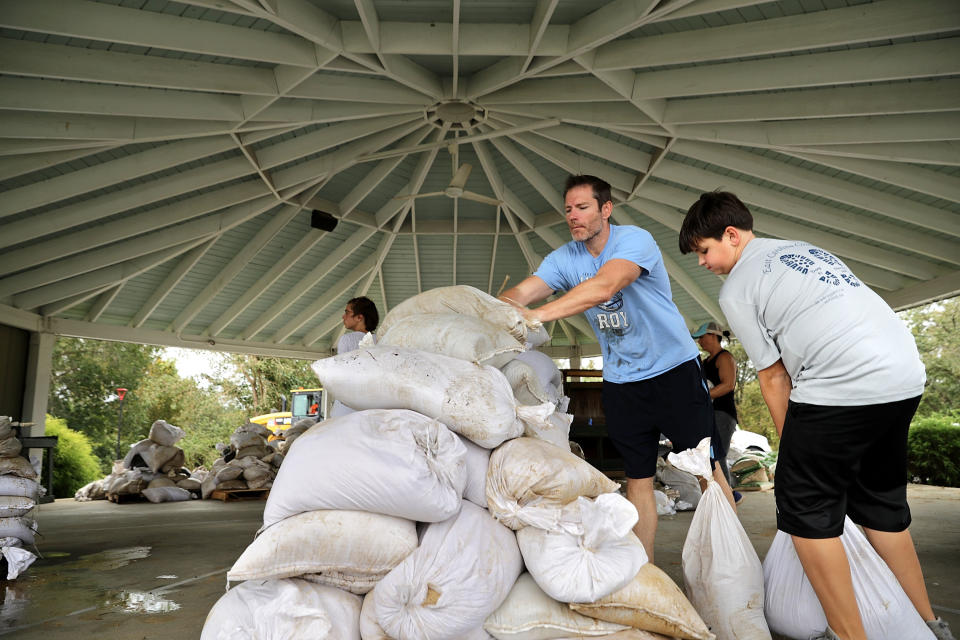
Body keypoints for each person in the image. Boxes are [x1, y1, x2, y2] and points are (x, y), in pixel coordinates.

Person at [678, 191, 954, 640]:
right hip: (903, 377)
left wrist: (796, 459)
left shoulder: (739, 286)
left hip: (842, 382)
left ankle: (849, 635)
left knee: (804, 506)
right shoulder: (803, 251)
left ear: (731, 235)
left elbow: (773, 378)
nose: (703, 263)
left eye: (705, 251)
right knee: (879, 505)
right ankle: (930, 624)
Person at [499, 174, 735, 564]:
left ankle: (731, 565)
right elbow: (520, 293)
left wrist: (535, 315)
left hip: (673, 372)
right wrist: (493, 308)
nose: (573, 216)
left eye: (583, 208)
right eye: (569, 210)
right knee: (638, 480)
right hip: (623, 382)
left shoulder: (633, 240)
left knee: (705, 471)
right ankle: (645, 572)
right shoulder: (563, 259)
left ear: (606, 209)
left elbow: (605, 287)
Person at [691, 321, 743, 505]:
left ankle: (728, 498)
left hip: (723, 414)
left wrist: (701, 398)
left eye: (702, 337)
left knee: (718, 456)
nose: (700, 342)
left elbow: (728, 385)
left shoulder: (725, 357)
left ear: (713, 336)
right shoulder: (705, 362)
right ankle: (726, 496)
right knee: (710, 456)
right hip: (709, 414)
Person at [329, 296, 379, 418]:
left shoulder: (347, 340)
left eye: (347, 312)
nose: (343, 316)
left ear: (359, 317)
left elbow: (342, 373)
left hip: (348, 406)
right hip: (374, 404)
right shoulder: (380, 340)